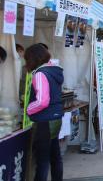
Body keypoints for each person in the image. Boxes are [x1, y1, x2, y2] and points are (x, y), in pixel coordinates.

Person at [24, 44, 64, 181]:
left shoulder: (41, 74)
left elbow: (42, 101)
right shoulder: (54, 70)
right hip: (55, 118)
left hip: (44, 121)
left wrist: (28, 108)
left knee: (42, 160)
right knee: (55, 156)